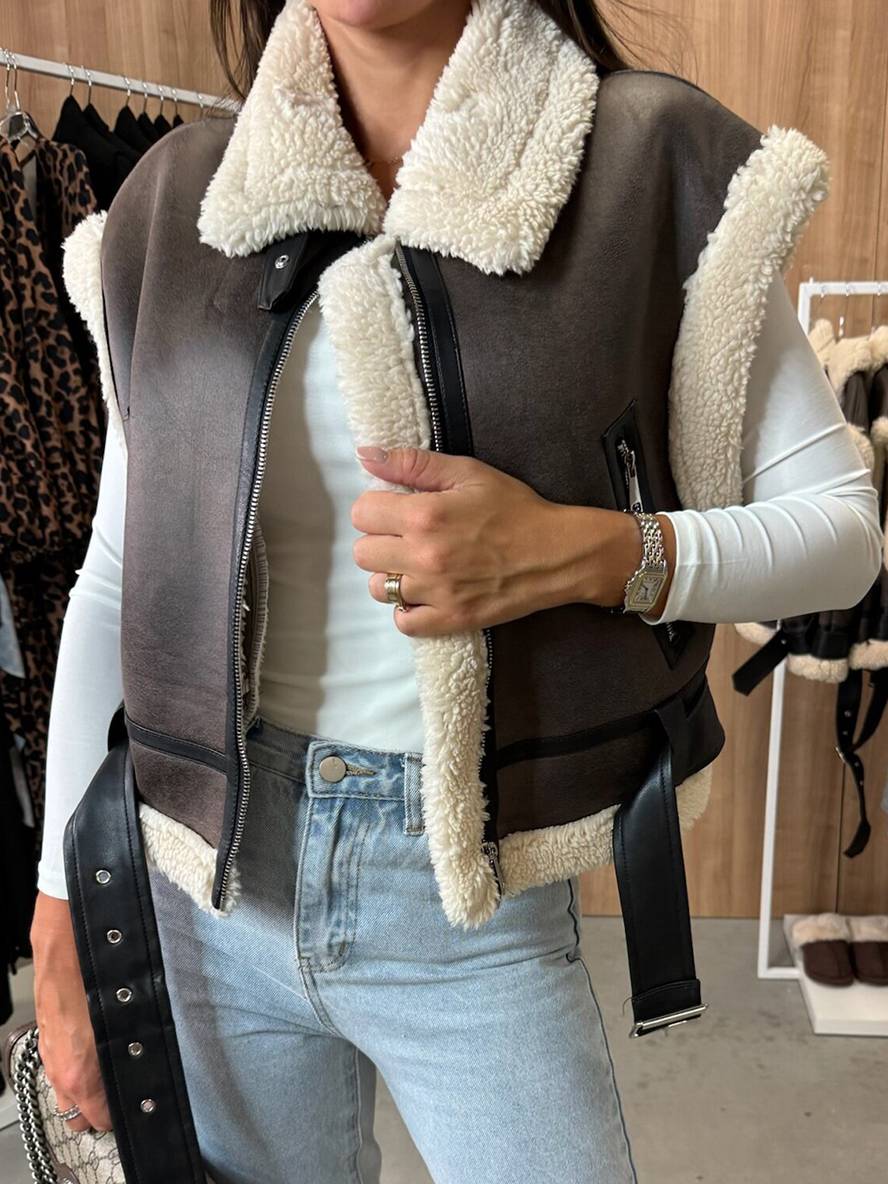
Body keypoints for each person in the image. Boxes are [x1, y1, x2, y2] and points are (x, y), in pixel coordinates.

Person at [29, 1, 882, 1182]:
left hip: (466, 906)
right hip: (207, 890)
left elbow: (846, 536)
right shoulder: (177, 203)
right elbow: (119, 575)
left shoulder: (650, 164)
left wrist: (580, 552)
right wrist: (61, 912)